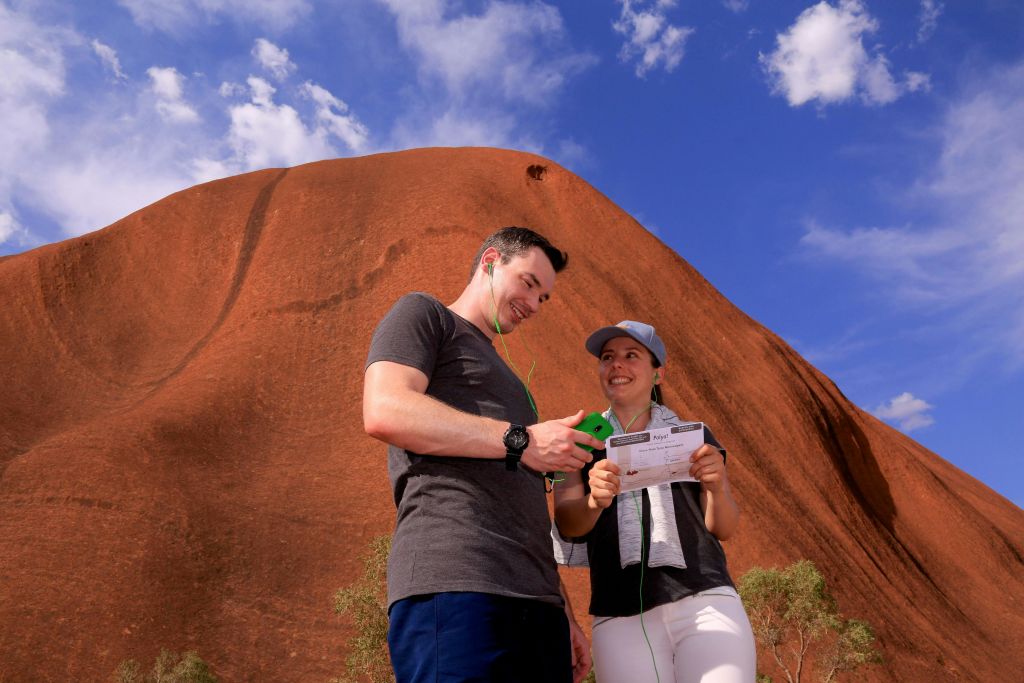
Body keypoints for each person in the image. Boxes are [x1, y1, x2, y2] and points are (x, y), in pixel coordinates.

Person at [363, 227, 602, 683]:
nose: (533, 304)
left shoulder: (515, 387)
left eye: (544, 298)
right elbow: (384, 409)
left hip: (538, 606)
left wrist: (563, 610)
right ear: (490, 261)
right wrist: (525, 441)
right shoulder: (425, 315)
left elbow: (524, 503)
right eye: (529, 283)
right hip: (456, 584)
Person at [553, 321, 756, 683]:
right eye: (608, 357)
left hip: (705, 600)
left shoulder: (693, 436)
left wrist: (718, 486)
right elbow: (568, 523)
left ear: (657, 373)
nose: (617, 365)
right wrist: (594, 503)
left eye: (632, 356)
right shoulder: (579, 441)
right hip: (619, 613)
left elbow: (722, 527)